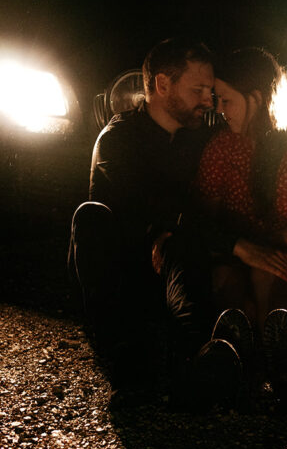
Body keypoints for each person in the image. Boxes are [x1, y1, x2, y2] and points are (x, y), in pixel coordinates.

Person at [68, 37, 240, 409]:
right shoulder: (119, 139)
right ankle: (126, 364)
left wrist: (174, 228)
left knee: (186, 242)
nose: (208, 101)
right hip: (126, 269)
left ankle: (197, 360)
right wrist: (172, 225)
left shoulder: (202, 136)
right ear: (162, 85)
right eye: (198, 90)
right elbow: (138, 204)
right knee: (90, 218)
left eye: (211, 91)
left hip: (178, 263)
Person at [194, 46, 287, 412]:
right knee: (229, 277)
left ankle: (282, 348)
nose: (219, 108)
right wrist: (240, 245)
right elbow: (205, 218)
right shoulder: (222, 147)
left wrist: (261, 244)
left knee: (271, 271)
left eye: (226, 99)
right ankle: (231, 346)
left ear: (256, 99)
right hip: (233, 252)